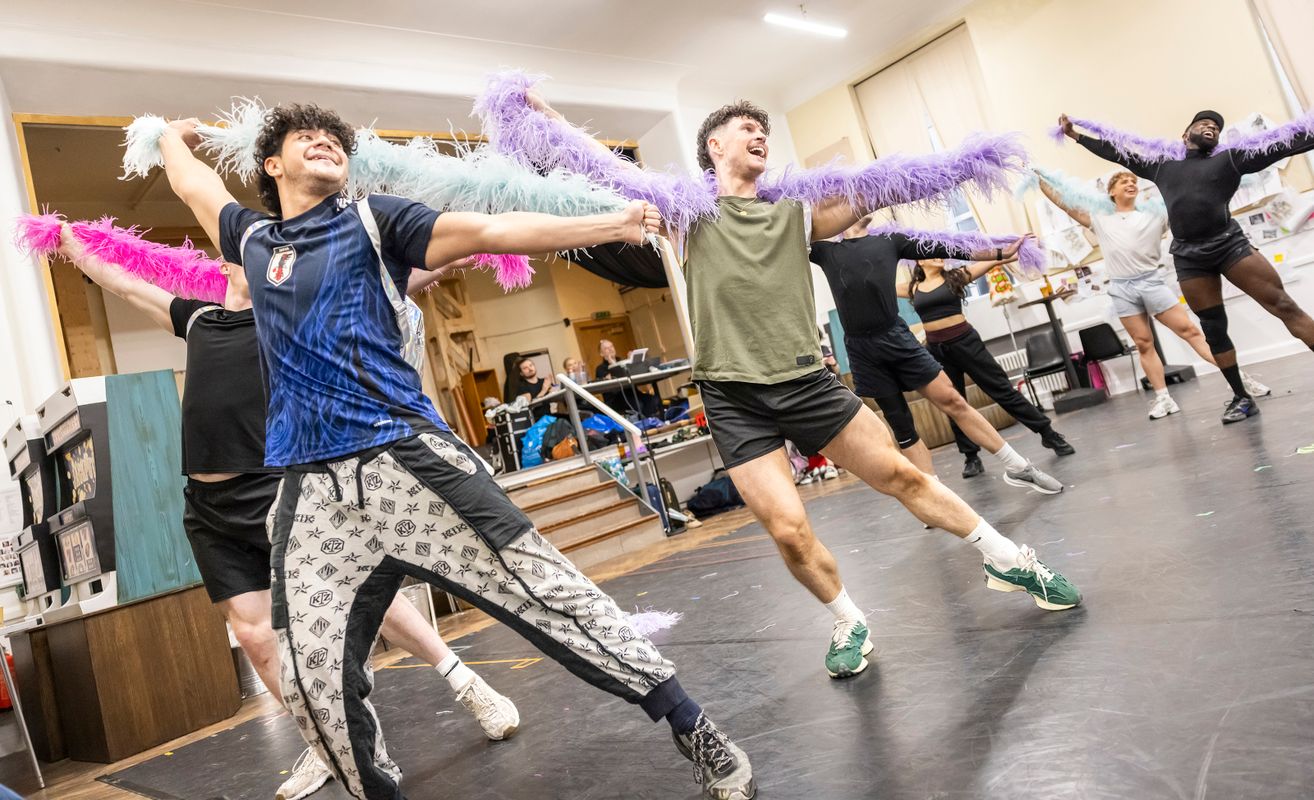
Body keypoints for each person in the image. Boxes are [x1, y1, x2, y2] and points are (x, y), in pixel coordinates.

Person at [156, 105, 755, 800]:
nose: (326, 142)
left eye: (335, 139)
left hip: (407, 463)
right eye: (305, 137)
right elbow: (193, 184)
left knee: (551, 594)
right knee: (311, 679)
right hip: (313, 493)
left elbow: (492, 229)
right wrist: (170, 136)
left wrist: (612, 224)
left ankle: (694, 727)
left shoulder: (374, 220)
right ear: (271, 164)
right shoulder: (254, 240)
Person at [521, 92, 1081, 684]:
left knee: (904, 476)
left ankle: (1010, 560)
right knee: (788, 531)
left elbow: (884, 188)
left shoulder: (795, 214)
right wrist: (546, 118)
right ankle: (848, 619)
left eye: (764, 129)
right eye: (746, 127)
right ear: (715, 145)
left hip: (807, 382)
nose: (760, 134)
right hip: (732, 396)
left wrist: (966, 167)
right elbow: (605, 168)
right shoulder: (687, 215)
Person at [48, 228, 518, 800]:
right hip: (207, 506)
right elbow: (125, 286)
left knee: (361, 592)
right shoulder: (197, 319)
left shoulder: (292, 316)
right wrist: (71, 247)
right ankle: (329, 743)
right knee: (253, 635)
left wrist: (466, 247)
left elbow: (388, 280)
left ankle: (466, 683)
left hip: (277, 487)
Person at [1060, 110, 1314, 423]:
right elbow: (1117, 153)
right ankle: (1241, 397)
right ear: (1185, 135)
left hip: (1229, 245)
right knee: (1213, 328)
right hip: (1189, 256)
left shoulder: (1230, 160)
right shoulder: (1163, 167)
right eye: (1203, 123)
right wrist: (1076, 136)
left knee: (1283, 304)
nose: (1211, 126)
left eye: (1216, 127)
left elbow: (1284, 146)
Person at [810, 219, 1071, 488]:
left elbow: (948, 247)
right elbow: (788, 235)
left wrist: (999, 253)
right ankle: (936, 492)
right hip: (864, 351)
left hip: (901, 339)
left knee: (954, 400)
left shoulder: (890, 241)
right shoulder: (825, 250)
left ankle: (1018, 466)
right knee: (901, 426)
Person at [1036, 170, 1269, 419]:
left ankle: (1240, 380)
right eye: (1123, 181)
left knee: (1190, 332)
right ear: (1111, 192)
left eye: (1133, 181)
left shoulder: (1156, 215)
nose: (1130, 183)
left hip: (1152, 283)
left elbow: (1189, 203)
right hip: (1122, 288)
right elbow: (1065, 204)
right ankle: (1163, 399)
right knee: (1143, 344)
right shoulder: (1100, 218)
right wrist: (1038, 178)